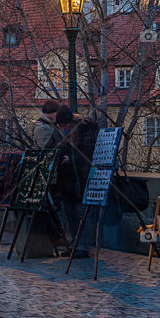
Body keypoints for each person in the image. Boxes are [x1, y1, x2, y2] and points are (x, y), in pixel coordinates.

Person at [56, 107, 98, 258]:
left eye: (63, 126)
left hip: (81, 180)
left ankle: (82, 246)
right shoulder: (67, 135)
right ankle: (74, 244)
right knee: (70, 214)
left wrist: (71, 159)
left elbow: (88, 156)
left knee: (82, 214)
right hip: (68, 182)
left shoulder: (84, 132)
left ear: (69, 123)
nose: (61, 129)